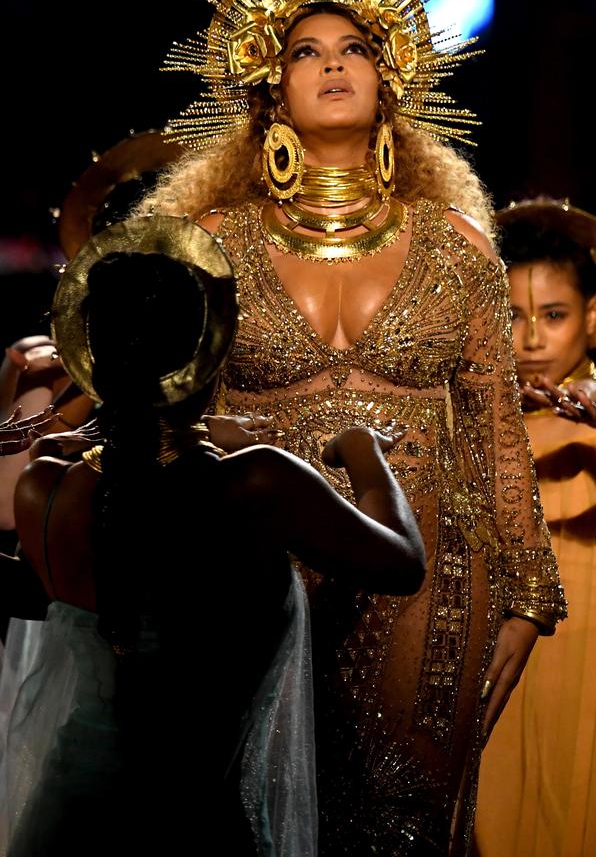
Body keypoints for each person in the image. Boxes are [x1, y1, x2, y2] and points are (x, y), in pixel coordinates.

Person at [135, 0, 567, 854]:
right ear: (270, 88)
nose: (332, 64)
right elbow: (168, 434)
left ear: (389, 76)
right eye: (305, 52)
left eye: (355, 48)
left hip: (437, 583)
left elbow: (496, 429)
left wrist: (530, 595)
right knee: (252, 820)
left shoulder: (457, 248)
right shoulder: (212, 249)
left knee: (403, 821)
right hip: (253, 575)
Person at [1, 213, 426, 857]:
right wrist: (364, 453)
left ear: (91, 358)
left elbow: (96, 568)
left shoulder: (48, 486)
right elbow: (401, 561)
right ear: (210, 352)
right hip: (191, 823)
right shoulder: (255, 486)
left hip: (69, 818)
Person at [474, 199, 596, 857]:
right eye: (512, 317)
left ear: (594, 314)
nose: (531, 341)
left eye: (554, 316)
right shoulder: (473, 416)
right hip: (507, 641)